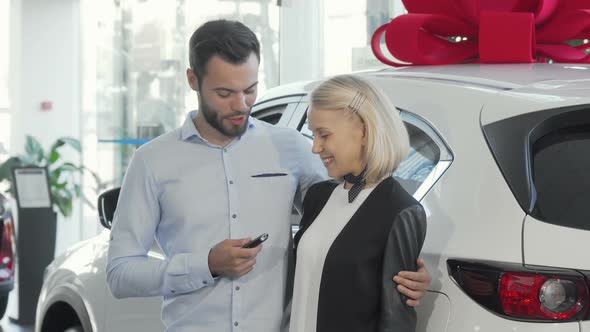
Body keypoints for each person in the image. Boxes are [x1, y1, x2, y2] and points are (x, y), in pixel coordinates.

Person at [106, 19, 430, 332]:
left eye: (250, 89)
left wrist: (401, 273)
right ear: (193, 79)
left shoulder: (292, 147)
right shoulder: (152, 162)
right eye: (224, 93)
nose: (241, 104)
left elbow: (346, 223)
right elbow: (120, 274)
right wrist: (206, 265)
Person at [289, 74, 427, 332]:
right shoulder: (318, 197)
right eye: (314, 135)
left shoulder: (400, 211)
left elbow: (396, 320)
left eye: (324, 134)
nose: (315, 147)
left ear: (364, 130)